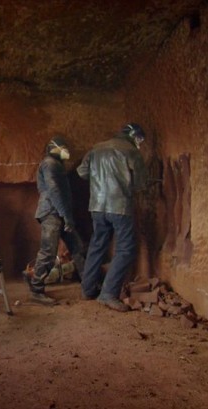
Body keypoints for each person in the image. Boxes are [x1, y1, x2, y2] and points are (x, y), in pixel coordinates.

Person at [76, 123, 147, 312]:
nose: (139, 143)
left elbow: (82, 172)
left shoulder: (96, 148)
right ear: (133, 136)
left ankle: (87, 289)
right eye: (139, 139)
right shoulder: (131, 151)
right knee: (126, 249)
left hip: (97, 206)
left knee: (97, 245)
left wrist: (99, 180)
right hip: (120, 207)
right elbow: (141, 184)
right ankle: (108, 293)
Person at [27, 135, 86, 305]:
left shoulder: (55, 165)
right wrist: (66, 216)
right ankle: (36, 290)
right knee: (48, 253)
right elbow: (54, 192)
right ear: (54, 149)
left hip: (57, 213)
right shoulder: (50, 164)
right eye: (63, 147)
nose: (67, 150)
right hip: (52, 214)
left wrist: (66, 215)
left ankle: (89, 284)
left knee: (77, 247)